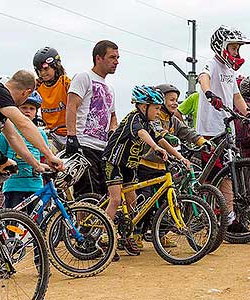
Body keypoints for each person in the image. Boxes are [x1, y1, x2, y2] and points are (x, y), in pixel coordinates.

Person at [103, 85, 189, 256]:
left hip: (129, 165)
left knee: (133, 202)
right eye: (156, 108)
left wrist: (180, 157)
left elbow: (161, 139)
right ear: (144, 106)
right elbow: (142, 134)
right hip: (114, 162)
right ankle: (104, 237)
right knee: (115, 200)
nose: (158, 112)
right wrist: (155, 147)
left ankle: (125, 235)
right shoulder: (134, 118)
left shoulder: (149, 123)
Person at [197, 25, 250, 228]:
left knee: (228, 174)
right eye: (233, 48)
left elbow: (236, 96)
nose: (236, 52)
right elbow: (203, 77)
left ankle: (229, 218)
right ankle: (201, 214)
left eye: (238, 49)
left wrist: (248, 115)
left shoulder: (230, 70)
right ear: (221, 46)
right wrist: (208, 93)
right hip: (209, 130)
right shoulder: (212, 64)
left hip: (225, 129)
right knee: (211, 175)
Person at [135, 83, 207, 248]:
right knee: (145, 201)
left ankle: (160, 234)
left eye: (176, 100)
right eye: (171, 100)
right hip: (145, 165)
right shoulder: (154, 117)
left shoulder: (174, 120)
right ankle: (136, 233)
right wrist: (170, 138)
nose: (175, 103)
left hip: (163, 167)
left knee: (166, 201)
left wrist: (202, 141)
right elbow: (159, 132)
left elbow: (188, 132)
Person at [0, 70, 63, 173]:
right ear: (26, 92)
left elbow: (14, 137)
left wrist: (36, 165)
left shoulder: (1, 107)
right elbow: (24, 124)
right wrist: (49, 155)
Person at [66, 40, 119, 196]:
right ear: (98, 58)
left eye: (117, 57)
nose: (116, 62)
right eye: (112, 57)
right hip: (84, 144)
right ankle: (81, 221)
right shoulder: (84, 77)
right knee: (87, 193)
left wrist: (112, 130)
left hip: (103, 148)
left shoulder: (110, 88)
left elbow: (113, 115)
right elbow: (71, 106)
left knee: (103, 195)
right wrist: (71, 136)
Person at [0, 91, 48, 213]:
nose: (27, 111)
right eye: (24, 107)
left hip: (35, 186)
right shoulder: (7, 132)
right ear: (16, 109)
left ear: (36, 112)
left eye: (32, 108)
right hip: (13, 185)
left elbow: (43, 158)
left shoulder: (41, 134)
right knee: (11, 223)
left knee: (36, 224)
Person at [34, 47, 71, 152]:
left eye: (46, 69)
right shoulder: (38, 86)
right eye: (39, 70)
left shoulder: (65, 82)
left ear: (56, 67)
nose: (43, 73)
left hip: (70, 133)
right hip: (51, 135)